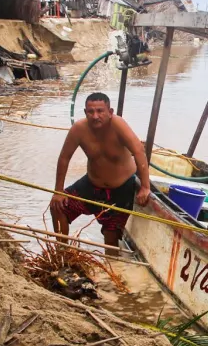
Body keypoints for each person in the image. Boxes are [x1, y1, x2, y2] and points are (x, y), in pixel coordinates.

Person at [49, 92, 151, 249]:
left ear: (110, 112)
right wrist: (58, 191)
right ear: (85, 113)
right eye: (91, 111)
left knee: (111, 238)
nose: (95, 116)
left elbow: (139, 152)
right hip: (92, 185)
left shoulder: (119, 125)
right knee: (58, 207)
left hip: (121, 189)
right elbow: (64, 158)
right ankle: (62, 254)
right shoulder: (79, 129)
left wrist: (145, 186)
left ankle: (114, 268)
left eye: (100, 111)